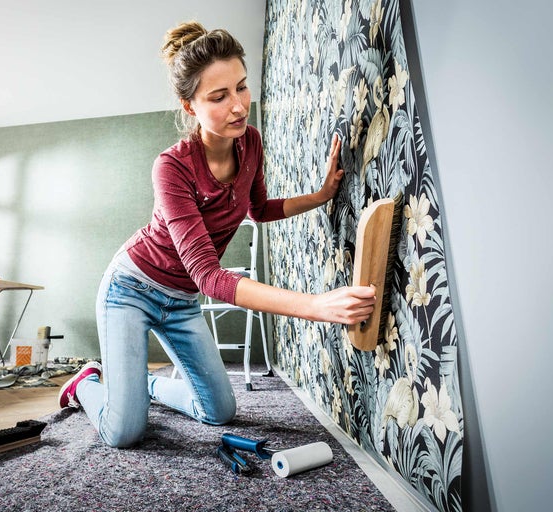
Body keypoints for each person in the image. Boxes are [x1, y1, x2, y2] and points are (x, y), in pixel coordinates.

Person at [58, 21, 376, 448]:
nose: (239, 106)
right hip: (131, 290)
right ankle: (86, 385)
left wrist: (321, 195)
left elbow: (260, 209)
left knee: (219, 412)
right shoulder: (172, 166)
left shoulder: (252, 144)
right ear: (190, 106)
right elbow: (209, 276)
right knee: (123, 432)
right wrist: (316, 306)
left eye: (242, 88)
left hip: (182, 300)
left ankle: (143, 388)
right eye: (219, 96)